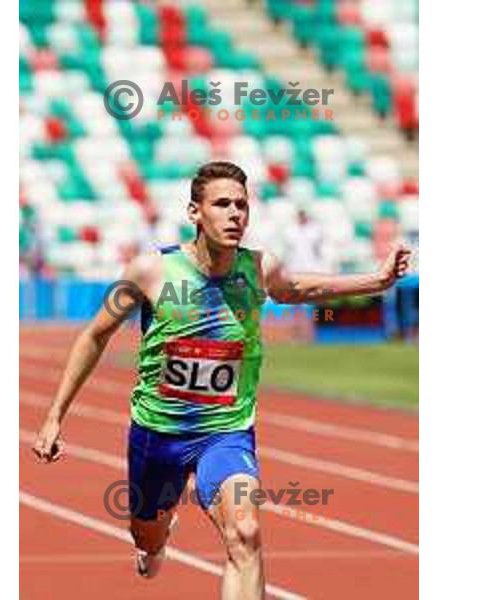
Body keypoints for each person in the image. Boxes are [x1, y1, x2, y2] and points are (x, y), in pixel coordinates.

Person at [33, 161, 411, 600]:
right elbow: (94, 335)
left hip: (226, 432)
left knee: (245, 533)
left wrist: (377, 280)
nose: (235, 214)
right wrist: (54, 416)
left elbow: (298, 290)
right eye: (222, 204)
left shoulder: (259, 268)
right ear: (195, 212)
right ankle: (154, 539)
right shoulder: (150, 271)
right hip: (159, 433)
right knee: (147, 537)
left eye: (242, 205)